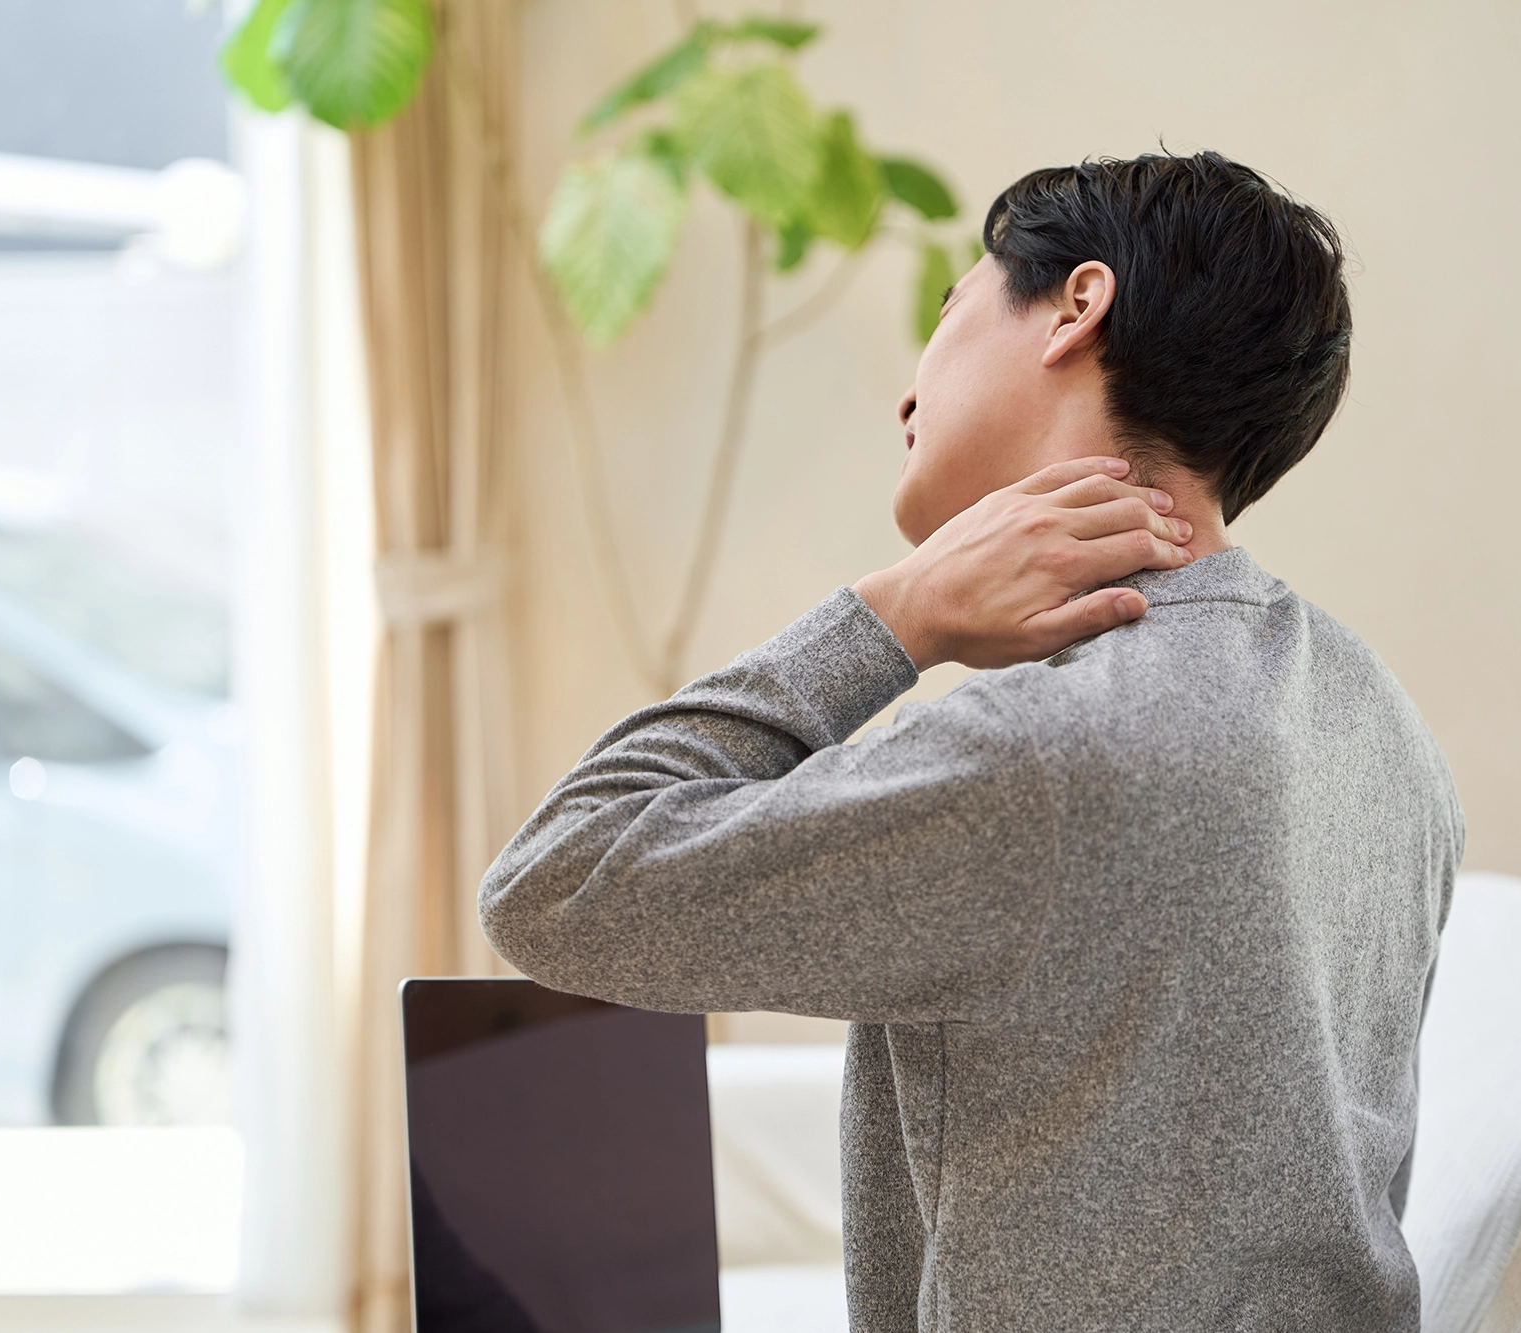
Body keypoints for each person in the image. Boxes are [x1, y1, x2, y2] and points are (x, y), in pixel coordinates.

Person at [479, 151, 1463, 1332]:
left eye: (948, 313)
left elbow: (555, 881)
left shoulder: (1058, 750)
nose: (906, 398)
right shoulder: (1378, 720)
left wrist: (894, 613)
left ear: (1075, 307)